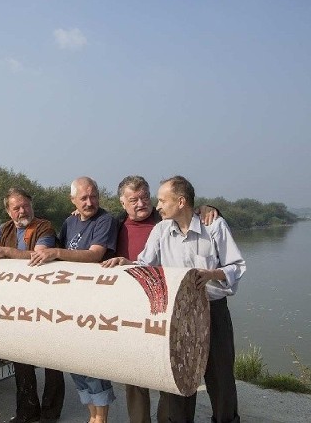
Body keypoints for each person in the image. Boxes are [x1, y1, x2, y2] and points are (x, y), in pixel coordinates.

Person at [104, 176, 246, 423]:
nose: (157, 207)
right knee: (179, 375)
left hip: (213, 311)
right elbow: (144, 264)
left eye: (161, 200)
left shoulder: (214, 227)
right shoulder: (161, 230)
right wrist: (126, 263)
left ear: (181, 202)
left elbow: (237, 266)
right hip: (177, 314)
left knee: (220, 377)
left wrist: (213, 273)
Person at [29, 176, 117, 423]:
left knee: (93, 363)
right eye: (83, 198)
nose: (90, 202)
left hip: (94, 302)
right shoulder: (69, 222)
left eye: (93, 196)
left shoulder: (105, 220)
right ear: (73, 200)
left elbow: (94, 255)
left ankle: (101, 418)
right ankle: (92, 416)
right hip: (71, 301)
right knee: (76, 362)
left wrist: (56, 252)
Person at [0, 188, 64, 423]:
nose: (22, 211)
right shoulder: (3, 229)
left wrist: (4, 251)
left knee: (52, 359)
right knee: (21, 358)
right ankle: (26, 413)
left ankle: (50, 414)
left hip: (44, 302)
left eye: (25, 205)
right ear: (8, 211)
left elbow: (40, 255)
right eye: (16, 208)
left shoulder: (44, 227)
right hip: (15, 303)